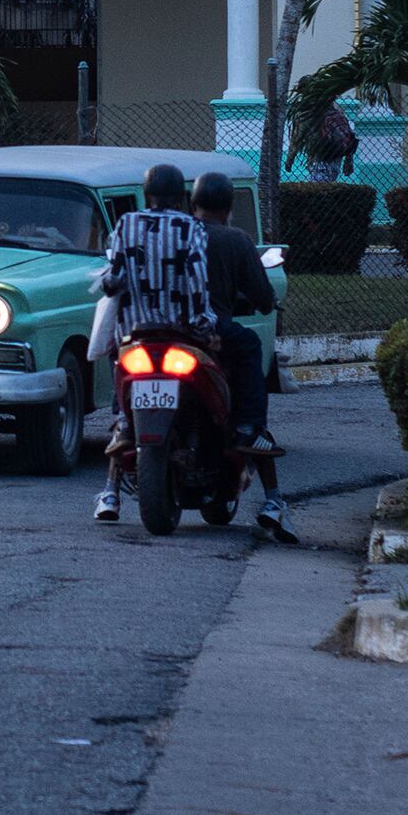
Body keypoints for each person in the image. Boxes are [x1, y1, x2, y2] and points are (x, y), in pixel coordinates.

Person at [94, 164, 212, 525]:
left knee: (123, 413)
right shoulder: (190, 227)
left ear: (146, 194)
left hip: (134, 336)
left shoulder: (126, 224)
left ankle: (111, 493)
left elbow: (111, 281)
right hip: (182, 334)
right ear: (181, 197)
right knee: (200, 400)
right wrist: (202, 324)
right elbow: (196, 279)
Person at [190, 171, 295, 543]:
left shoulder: (174, 234)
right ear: (230, 208)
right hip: (212, 330)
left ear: (193, 204)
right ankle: (251, 424)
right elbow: (263, 297)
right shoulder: (236, 240)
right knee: (250, 344)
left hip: (164, 328)